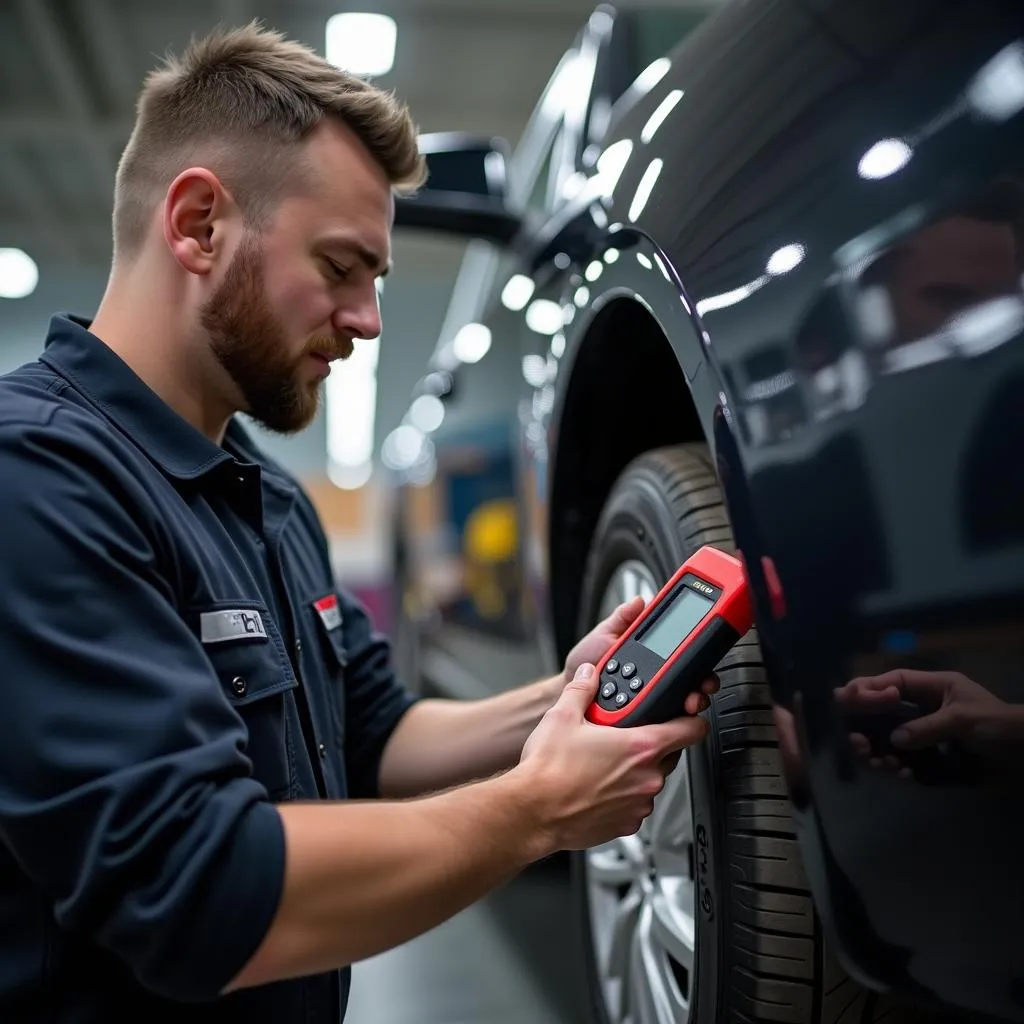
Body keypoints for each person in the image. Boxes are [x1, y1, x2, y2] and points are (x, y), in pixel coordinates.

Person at [0, 22, 718, 1024]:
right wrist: (534, 811)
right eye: (342, 267)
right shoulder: (36, 475)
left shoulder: (270, 498)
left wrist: (572, 693)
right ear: (200, 222)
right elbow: (196, 891)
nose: (371, 319)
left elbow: (377, 732)